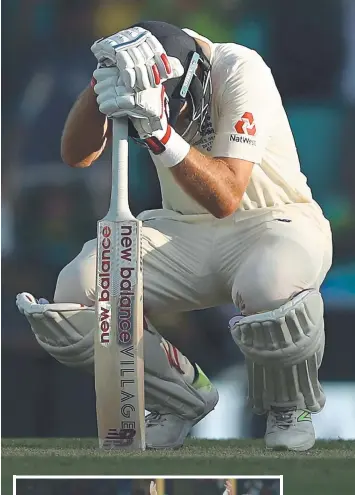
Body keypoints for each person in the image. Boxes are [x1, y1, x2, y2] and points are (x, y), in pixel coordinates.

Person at [17, 21, 333, 451]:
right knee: (76, 293)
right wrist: (100, 86)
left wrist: (160, 132)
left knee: (268, 283)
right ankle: (180, 395)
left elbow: (226, 195)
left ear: (195, 78)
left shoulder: (241, 68)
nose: (180, 120)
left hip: (276, 223)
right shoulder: (131, 71)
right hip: (185, 230)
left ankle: (288, 407)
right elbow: (78, 155)